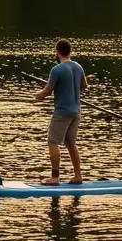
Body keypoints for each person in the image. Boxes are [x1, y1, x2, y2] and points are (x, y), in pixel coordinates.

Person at [33, 38, 87, 185]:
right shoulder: (78, 67)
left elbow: (47, 91)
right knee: (71, 143)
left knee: (52, 141)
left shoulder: (56, 70)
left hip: (62, 112)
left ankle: (55, 177)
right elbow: (84, 86)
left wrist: (38, 96)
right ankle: (78, 176)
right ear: (70, 51)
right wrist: (71, 91)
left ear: (57, 52)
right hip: (76, 112)